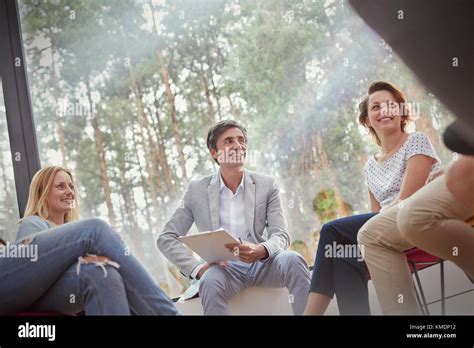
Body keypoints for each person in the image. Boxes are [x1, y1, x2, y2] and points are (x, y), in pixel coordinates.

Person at [304, 81, 440, 315]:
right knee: (342, 258)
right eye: (376, 107)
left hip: (416, 221)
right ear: (367, 119)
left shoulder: (416, 141)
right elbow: (376, 215)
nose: (384, 110)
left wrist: (373, 225)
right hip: (384, 235)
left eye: (390, 105)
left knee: (331, 231)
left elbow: (408, 200)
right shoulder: (369, 167)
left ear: (400, 112)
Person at [158, 120, 311, 315]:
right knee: (209, 281)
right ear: (214, 153)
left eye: (241, 140)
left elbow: (280, 234)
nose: (238, 145)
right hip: (224, 270)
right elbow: (166, 238)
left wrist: (261, 249)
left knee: (293, 260)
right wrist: (197, 269)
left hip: (263, 264)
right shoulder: (196, 190)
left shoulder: (267, 184)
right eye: (229, 141)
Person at [0, 166, 179, 316]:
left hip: (60, 293)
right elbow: (38, 276)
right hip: (31, 294)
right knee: (96, 228)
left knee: (103, 272)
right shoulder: (32, 223)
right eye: (60, 186)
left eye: (71, 186)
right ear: (42, 193)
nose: (69, 192)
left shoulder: (73, 235)